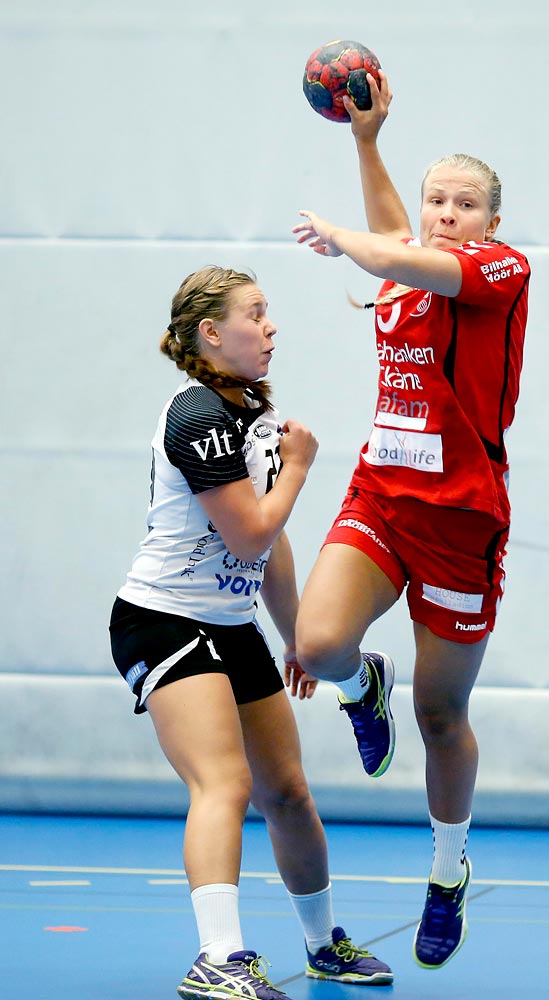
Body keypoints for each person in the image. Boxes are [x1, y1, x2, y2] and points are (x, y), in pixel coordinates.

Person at [290, 67, 530, 972]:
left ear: (490, 223)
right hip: (382, 497)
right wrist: (366, 141)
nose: (445, 213)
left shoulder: (501, 271)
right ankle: (362, 687)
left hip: (462, 520)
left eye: (464, 204)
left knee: (442, 714)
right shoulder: (405, 268)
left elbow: (392, 251)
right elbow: (395, 242)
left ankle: (445, 870)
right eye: (437, 200)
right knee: (315, 646)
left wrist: (344, 235)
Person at [108, 267, 393, 1000]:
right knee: (225, 782)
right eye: (256, 315)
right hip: (163, 619)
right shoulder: (197, 415)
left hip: (231, 625)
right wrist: (299, 469)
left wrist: (296, 636)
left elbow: (269, 548)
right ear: (211, 333)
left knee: (289, 792)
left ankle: (322, 944)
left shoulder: (252, 415)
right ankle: (218, 959)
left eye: (270, 315)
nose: (270, 329)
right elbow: (249, 533)